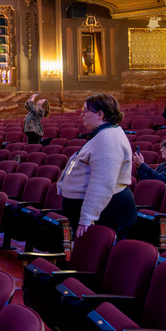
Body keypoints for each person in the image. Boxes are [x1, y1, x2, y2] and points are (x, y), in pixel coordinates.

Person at [57, 93, 136, 239]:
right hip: (102, 210)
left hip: (107, 211)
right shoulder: (104, 134)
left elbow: (103, 183)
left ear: (100, 114)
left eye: (86, 111)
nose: (83, 115)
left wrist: (87, 217)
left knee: (99, 254)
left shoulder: (108, 139)